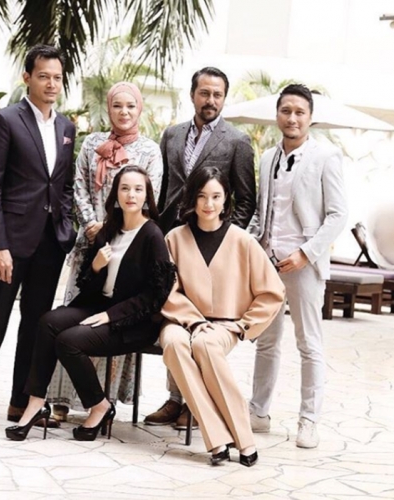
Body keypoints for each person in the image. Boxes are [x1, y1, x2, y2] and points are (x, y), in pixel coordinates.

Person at [5, 165, 176, 442]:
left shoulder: (152, 235)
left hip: (133, 322)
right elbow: (88, 286)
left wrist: (111, 316)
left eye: (138, 189)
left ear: (147, 195)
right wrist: (96, 267)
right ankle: (35, 403)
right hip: (99, 307)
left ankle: (99, 406)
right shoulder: (108, 230)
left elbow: (156, 295)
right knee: (48, 322)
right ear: (116, 194)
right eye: (124, 188)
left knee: (69, 341)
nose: (131, 195)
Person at [0, 45, 76, 433]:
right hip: (11, 242)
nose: (51, 84)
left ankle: (20, 402)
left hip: (49, 244)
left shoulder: (66, 128)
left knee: (35, 325)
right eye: (43, 76)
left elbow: (62, 185)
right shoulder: (5, 120)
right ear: (27, 77)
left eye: (57, 77)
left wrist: (65, 228)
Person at [146, 66, 256, 429]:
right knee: (173, 318)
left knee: (204, 323)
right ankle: (175, 399)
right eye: (204, 93)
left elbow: (246, 200)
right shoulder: (172, 135)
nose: (211, 100)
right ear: (192, 94)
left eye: (217, 95)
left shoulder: (237, 141)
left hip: (210, 249)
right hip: (171, 243)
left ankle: (197, 404)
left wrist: (223, 242)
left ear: (224, 98)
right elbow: (164, 190)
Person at [46, 82, 163, 419]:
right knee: (73, 317)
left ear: (140, 109)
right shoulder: (92, 144)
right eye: (117, 106)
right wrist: (92, 224)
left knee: (109, 324)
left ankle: (101, 399)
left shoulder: (150, 151)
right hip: (90, 247)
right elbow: (79, 187)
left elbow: (149, 195)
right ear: (108, 109)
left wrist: (113, 227)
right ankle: (61, 400)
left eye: (131, 106)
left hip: (127, 250)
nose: (124, 112)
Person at [159, 166, 284, 466]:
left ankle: (243, 439)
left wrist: (244, 325)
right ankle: (216, 439)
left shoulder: (243, 241)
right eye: (202, 196)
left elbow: (272, 291)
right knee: (174, 343)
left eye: (216, 196)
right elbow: (166, 290)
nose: (208, 204)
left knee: (206, 344)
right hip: (180, 320)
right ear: (192, 197)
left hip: (225, 325)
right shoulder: (174, 238)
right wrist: (194, 320)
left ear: (226, 198)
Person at [248, 84, 348, 448]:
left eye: (299, 112)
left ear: (310, 117)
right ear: (278, 114)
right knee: (266, 341)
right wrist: (251, 247)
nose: (292, 118)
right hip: (268, 262)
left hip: (304, 264)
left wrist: (306, 253)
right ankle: (258, 413)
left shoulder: (326, 156)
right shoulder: (266, 158)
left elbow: (338, 214)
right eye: (286, 111)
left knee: (309, 343)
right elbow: (262, 211)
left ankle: (309, 420)